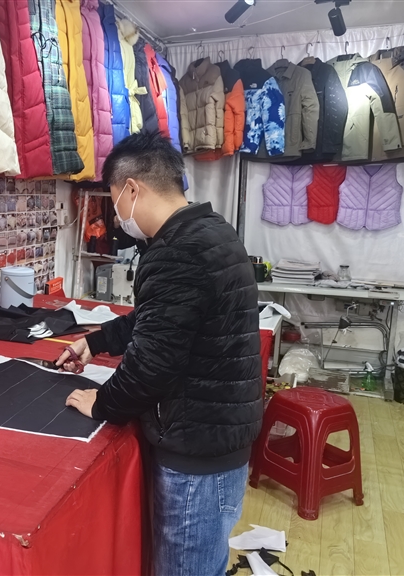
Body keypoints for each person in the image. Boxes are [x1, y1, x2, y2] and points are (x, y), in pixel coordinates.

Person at [57, 132, 263, 576]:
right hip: (220, 438)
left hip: (197, 455)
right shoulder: (211, 229)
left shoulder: (176, 252)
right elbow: (160, 320)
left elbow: (153, 364)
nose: (117, 217)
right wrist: (96, 341)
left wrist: (103, 403)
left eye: (115, 200)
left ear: (132, 189)